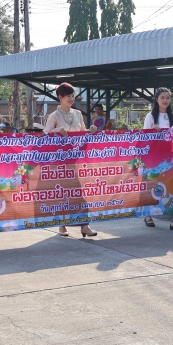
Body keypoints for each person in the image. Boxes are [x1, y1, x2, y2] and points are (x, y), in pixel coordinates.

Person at [44, 82, 98, 238]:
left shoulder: (78, 114)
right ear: (60, 97)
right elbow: (45, 136)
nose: (71, 98)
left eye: (73, 95)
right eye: (68, 96)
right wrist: (56, 130)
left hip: (76, 161)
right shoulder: (54, 116)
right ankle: (62, 225)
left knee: (80, 193)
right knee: (62, 194)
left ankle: (85, 225)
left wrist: (90, 130)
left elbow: (82, 133)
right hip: (60, 162)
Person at [142, 87, 173, 232]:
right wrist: (153, 131)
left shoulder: (172, 115)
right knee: (153, 185)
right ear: (157, 99)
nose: (165, 100)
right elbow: (144, 137)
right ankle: (148, 215)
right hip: (153, 157)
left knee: (171, 186)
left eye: (167, 98)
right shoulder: (150, 116)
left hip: (168, 157)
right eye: (162, 98)